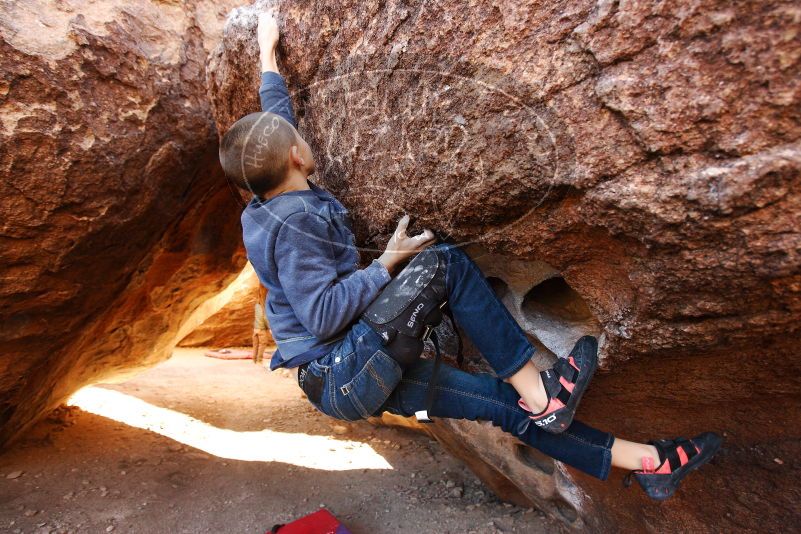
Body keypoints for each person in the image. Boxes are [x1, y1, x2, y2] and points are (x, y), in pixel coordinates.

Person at [219, 11, 721, 501]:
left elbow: (274, 123)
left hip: (343, 377)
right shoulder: (300, 222)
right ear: (297, 157)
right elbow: (320, 313)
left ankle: (649, 464)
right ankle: (545, 395)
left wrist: (268, 51)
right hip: (342, 366)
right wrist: (384, 264)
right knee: (444, 264)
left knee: (499, 405)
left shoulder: (264, 199)